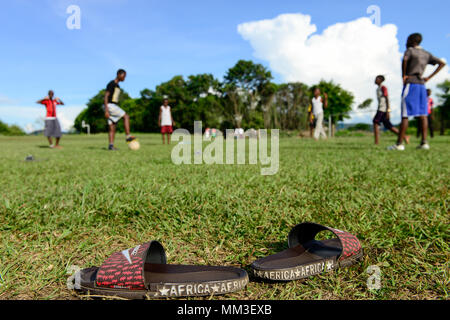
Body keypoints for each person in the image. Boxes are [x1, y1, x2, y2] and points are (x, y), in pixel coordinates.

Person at [388, 33, 446, 151]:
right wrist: (429, 77)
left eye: (407, 40)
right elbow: (442, 63)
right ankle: (424, 143)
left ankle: (399, 144)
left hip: (411, 83)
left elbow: (404, 60)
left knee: (405, 114)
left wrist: (404, 75)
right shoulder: (426, 53)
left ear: (411, 40)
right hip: (422, 86)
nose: (406, 42)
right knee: (423, 114)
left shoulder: (409, 51)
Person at [104, 69, 136, 151]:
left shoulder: (118, 86)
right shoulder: (112, 84)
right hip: (110, 105)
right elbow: (106, 96)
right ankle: (128, 136)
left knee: (112, 126)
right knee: (126, 116)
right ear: (118, 74)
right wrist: (106, 110)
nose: (124, 78)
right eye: (123, 76)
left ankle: (111, 146)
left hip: (112, 105)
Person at [372, 76, 408, 145]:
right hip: (380, 108)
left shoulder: (383, 88)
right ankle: (405, 136)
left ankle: (376, 142)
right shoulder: (378, 89)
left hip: (383, 109)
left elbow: (387, 98)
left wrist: (388, 110)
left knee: (375, 122)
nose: (375, 80)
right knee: (389, 126)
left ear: (381, 80)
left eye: (377, 79)